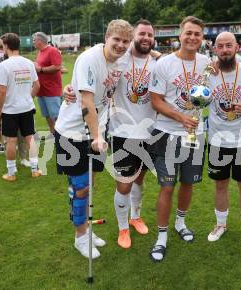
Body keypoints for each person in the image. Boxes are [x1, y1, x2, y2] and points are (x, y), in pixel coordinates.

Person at [54, 19, 133, 259]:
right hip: (73, 133)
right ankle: (80, 237)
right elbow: (86, 100)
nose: (120, 45)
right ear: (106, 37)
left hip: (98, 131)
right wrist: (97, 136)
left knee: (90, 183)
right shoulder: (90, 59)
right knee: (80, 187)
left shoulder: (120, 62)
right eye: (116, 40)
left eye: (125, 42)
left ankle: (86, 230)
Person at [148, 16, 209, 262]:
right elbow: (156, 101)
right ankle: (161, 236)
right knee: (167, 185)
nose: (193, 37)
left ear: (202, 38)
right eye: (189, 33)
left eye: (197, 34)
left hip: (196, 134)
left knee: (188, 182)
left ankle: (180, 223)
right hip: (167, 134)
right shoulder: (163, 64)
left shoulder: (207, 63)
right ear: (180, 35)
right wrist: (180, 118)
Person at [205, 32, 241, 245]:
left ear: (237, 47)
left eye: (228, 45)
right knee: (220, 184)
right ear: (215, 50)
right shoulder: (208, 73)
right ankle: (221, 224)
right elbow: (197, 99)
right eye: (220, 46)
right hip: (217, 140)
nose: (225, 50)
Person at [109, 19, 158, 249]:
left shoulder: (158, 62)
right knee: (124, 184)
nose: (146, 38)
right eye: (142, 34)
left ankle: (135, 216)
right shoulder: (119, 59)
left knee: (140, 178)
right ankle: (122, 228)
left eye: (150, 34)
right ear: (133, 37)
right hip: (122, 132)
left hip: (149, 132)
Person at [0, 33, 42, 182]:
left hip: (10, 110)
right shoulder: (28, 62)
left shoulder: (4, 65)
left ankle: (11, 173)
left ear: (6, 46)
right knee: (30, 138)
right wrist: (28, 98)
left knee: (11, 141)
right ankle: (35, 170)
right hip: (27, 107)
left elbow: (1, 91)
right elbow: (37, 86)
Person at [33, 32, 63, 135]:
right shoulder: (40, 52)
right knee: (47, 115)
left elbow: (57, 66)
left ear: (40, 41)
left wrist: (40, 69)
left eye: (34, 40)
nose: (33, 42)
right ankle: (53, 134)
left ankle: (62, 137)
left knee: (56, 116)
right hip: (41, 90)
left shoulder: (52, 50)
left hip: (52, 90)